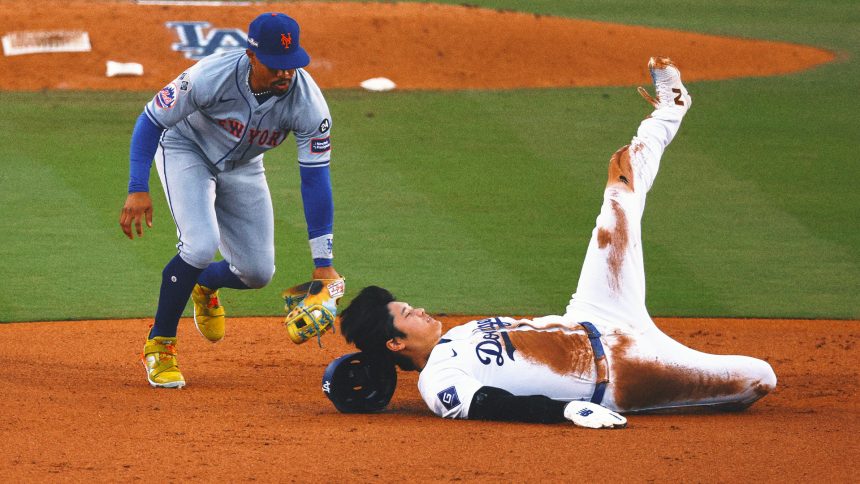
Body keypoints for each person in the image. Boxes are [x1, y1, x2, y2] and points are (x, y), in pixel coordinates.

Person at [337, 57, 777, 428]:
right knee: (759, 377)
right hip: (626, 372)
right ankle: (702, 392)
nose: (418, 309)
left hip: (597, 312)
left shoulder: (463, 332)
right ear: (395, 343)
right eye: (406, 314)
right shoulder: (438, 382)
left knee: (618, 195)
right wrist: (566, 410)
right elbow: (491, 405)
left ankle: (669, 110)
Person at [119, 12, 341, 389]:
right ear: (252, 55)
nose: (286, 74)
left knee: (257, 272)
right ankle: (160, 344)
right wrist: (137, 187)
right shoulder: (210, 76)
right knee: (200, 244)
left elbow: (315, 180)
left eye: (292, 65)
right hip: (184, 148)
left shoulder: (309, 105)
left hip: (243, 165)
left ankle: (203, 285)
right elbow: (151, 120)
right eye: (276, 65)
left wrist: (324, 264)